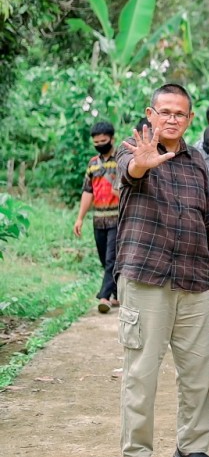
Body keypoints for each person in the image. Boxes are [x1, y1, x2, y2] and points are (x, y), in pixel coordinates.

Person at [114, 83, 209, 457]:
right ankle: (137, 451)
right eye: (165, 112)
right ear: (151, 113)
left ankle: (191, 445)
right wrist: (143, 162)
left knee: (197, 372)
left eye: (180, 113)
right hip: (146, 278)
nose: (172, 118)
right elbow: (130, 173)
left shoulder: (197, 161)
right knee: (141, 371)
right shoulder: (133, 148)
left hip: (193, 279)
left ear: (190, 119)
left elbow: (206, 220)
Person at [73, 121, 120, 313]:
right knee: (105, 259)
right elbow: (87, 191)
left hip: (117, 218)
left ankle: (104, 297)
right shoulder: (93, 163)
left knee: (111, 259)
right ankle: (117, 292)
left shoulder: (121, 160)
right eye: (97, 141)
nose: (100, 144)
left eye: (104, 140)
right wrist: (80, 218)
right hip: (98, 219)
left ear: (112, 139)